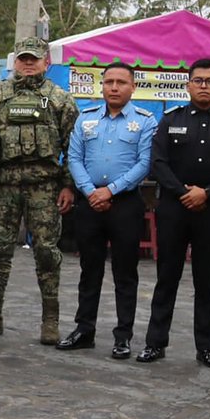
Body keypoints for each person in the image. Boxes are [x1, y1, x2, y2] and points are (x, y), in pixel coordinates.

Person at [137, 59, 210, 367]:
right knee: (166, 278)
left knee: (206, 281)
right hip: (174, 208)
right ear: (188, 85)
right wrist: (184, 193)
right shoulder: (170, 120)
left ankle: (206, 347)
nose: (203, 86)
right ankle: (155, 343)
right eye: (198, 80)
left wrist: (206, 193)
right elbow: (158, 162)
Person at [0, 36, 77, 344]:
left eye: (34, 58)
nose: (28, 63)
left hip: (45, 187)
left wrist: (69, 185)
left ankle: (50, 320)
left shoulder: (60, 99)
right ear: (14, 62)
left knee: (46, 252)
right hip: (4, 186)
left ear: (47, 62)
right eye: (23, 58)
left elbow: (74, 146)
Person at [58, 64, 158, 360]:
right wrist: (90, 191)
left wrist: (110, 190)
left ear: (132, 87)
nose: (114, 87)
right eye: (109, 82)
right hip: (89, 202)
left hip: (125, 203)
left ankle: (123, 335)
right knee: (90, 269)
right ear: (102, 86)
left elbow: (145, 163)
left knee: (125, 271)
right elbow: (74, 157)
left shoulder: (145, 121)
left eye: (121, 82)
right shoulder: (85, 119)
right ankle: (84, 330)